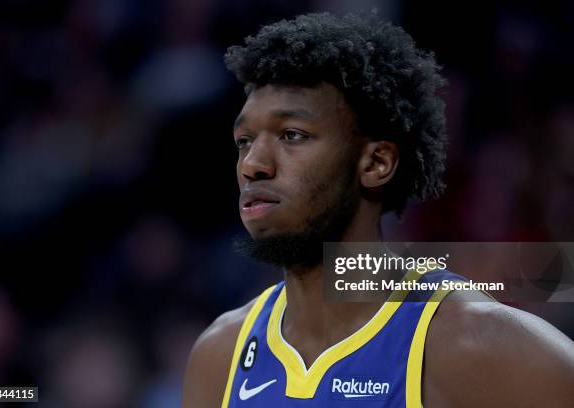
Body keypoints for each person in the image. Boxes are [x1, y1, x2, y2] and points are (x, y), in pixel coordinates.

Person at [182, 12, 574, 407]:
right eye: (244, 140)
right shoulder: (220, 355)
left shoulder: (476, 344)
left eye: (292, 135)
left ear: (376, 164)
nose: (253, 164)